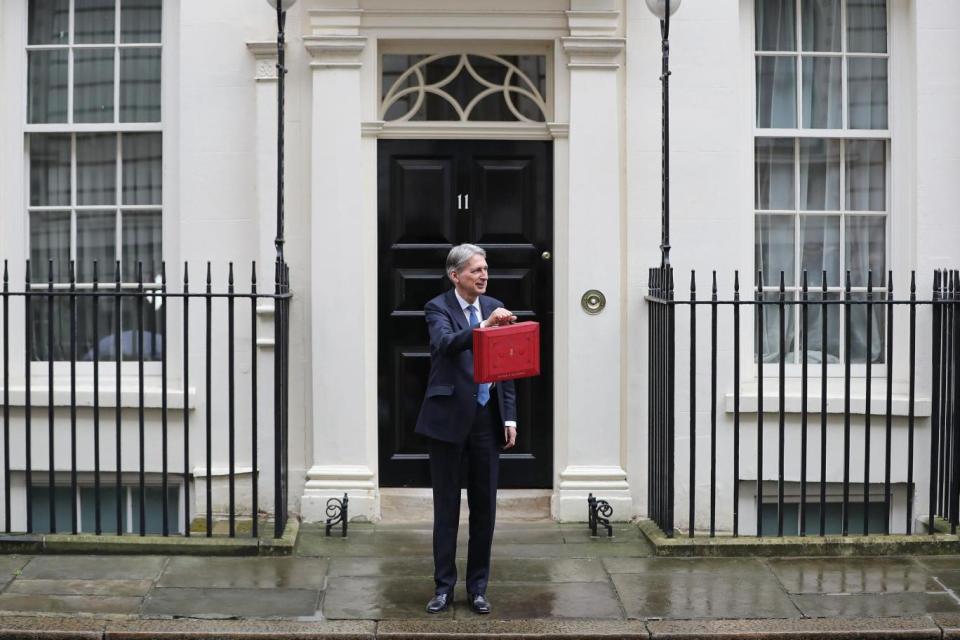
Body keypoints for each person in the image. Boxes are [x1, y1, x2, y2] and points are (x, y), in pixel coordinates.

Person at [415, 243, 518, 615]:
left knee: (484, 509)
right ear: (455, 275)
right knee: (446, 508)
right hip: (447, 421)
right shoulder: (437, 308)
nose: (484, 275)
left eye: (486, 269)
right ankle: (443, 587)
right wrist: (483, 327)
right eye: (476, 270)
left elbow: (507, 366)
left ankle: (478, 588)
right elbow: (445, 345)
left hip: (486, 421)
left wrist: (509, 417)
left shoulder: (495, 306)